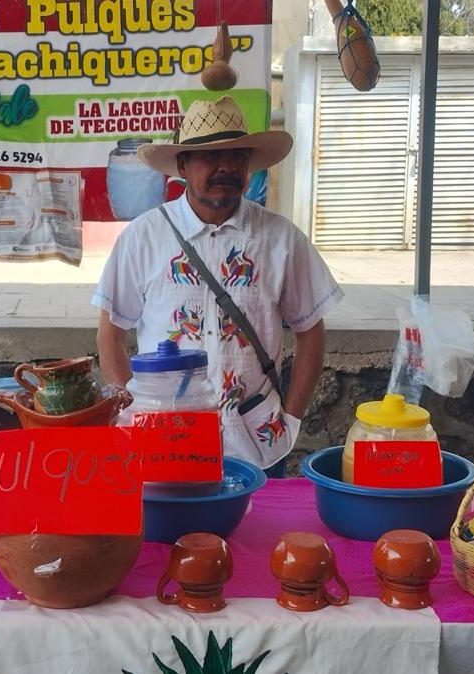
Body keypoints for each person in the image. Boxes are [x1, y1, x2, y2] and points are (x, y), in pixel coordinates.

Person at [93, 96, 343, 474]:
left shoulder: (281, 240)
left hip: (257, 441)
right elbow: (110, 332)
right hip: (164, 443)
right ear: (182, 165)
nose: (226, 167)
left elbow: (311, 330)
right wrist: (133, 414)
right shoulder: (143, 237)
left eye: (238, 156)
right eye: (211, 157)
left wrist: (291, 417)